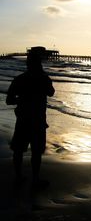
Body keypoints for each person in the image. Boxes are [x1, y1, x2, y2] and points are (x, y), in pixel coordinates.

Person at [6, 53, 55, 187]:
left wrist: (21, 100)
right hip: (38, 121)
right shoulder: (44, 79)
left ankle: (18, 176)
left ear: (27, 64)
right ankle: (35, 179)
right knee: (36, 152)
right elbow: (51, 92)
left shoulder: (19, 79)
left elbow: (9, 100)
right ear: (39, 64)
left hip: (22, 119)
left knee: (18, 150)